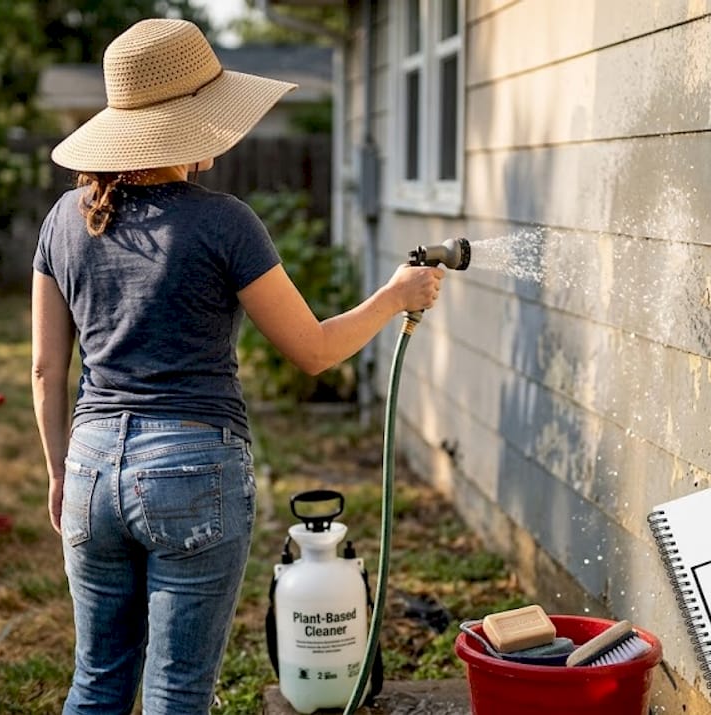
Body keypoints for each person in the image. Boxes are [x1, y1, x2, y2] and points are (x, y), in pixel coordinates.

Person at [30, 17, 445, 715]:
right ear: (192, 123)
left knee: (97, 680)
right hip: (191, 469)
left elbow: (46, 369)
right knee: (177, 690)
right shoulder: (225, 223)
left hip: (91, 468)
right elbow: (313, 351)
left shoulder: (62, 221)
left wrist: (57, 471)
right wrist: (394, 296)